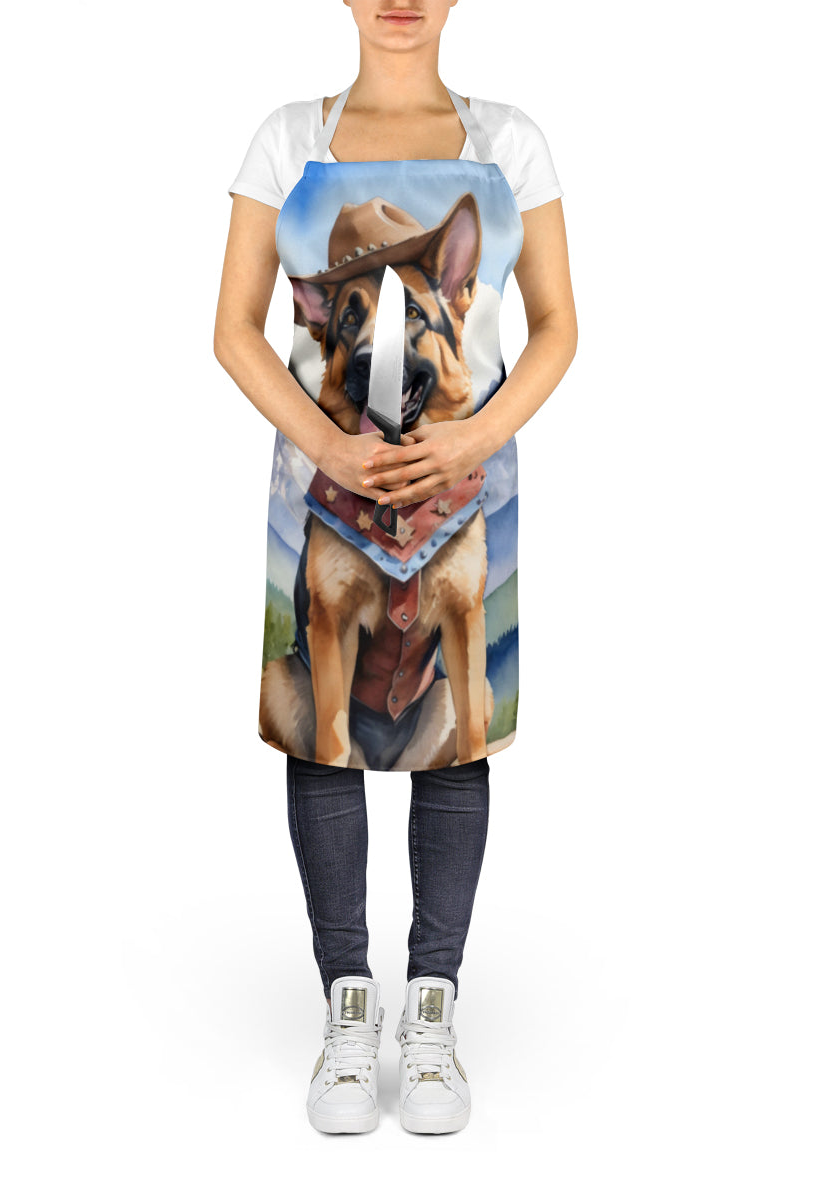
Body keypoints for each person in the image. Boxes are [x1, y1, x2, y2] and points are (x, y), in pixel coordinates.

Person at [215, 0, 577, 1134]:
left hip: (464, 485)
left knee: (454, 734)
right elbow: (234, 330)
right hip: (322, 485)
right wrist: (328, 447)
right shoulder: (287, 139)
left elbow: (557, 325)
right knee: (322, 729)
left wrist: (472, 439)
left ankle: (432, 1012)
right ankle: (345, 1008)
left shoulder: (510, 143)